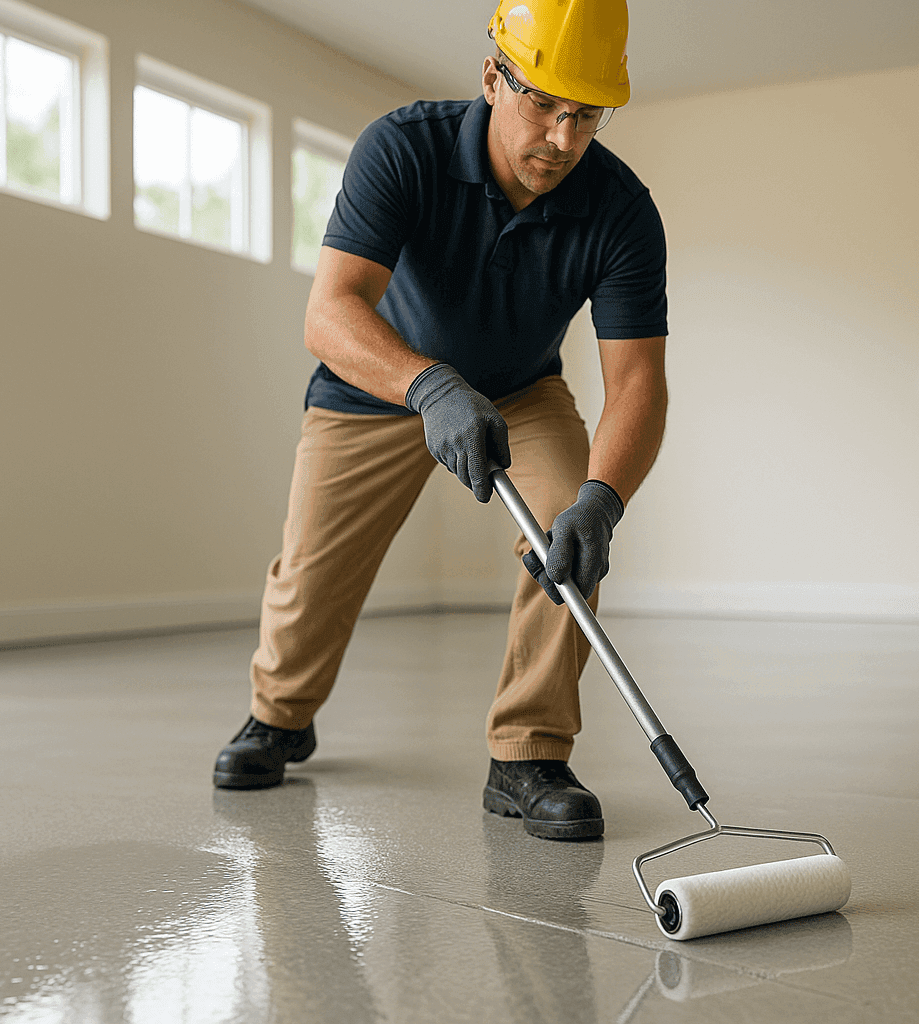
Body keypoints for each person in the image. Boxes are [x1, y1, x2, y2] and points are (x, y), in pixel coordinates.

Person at [212, 0, 668, 843]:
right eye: (544, 103)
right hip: (379, 384)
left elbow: (637, 380)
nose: (564, 140)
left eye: (587, 115)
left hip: (523, 391)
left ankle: (528, 755)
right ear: (493, 77)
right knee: (312, 571)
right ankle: (280, 715)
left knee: (566, 533)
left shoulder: (620, 210)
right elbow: (330, 312)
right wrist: (427, 386)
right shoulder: (403, 148)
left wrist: (604, 498)